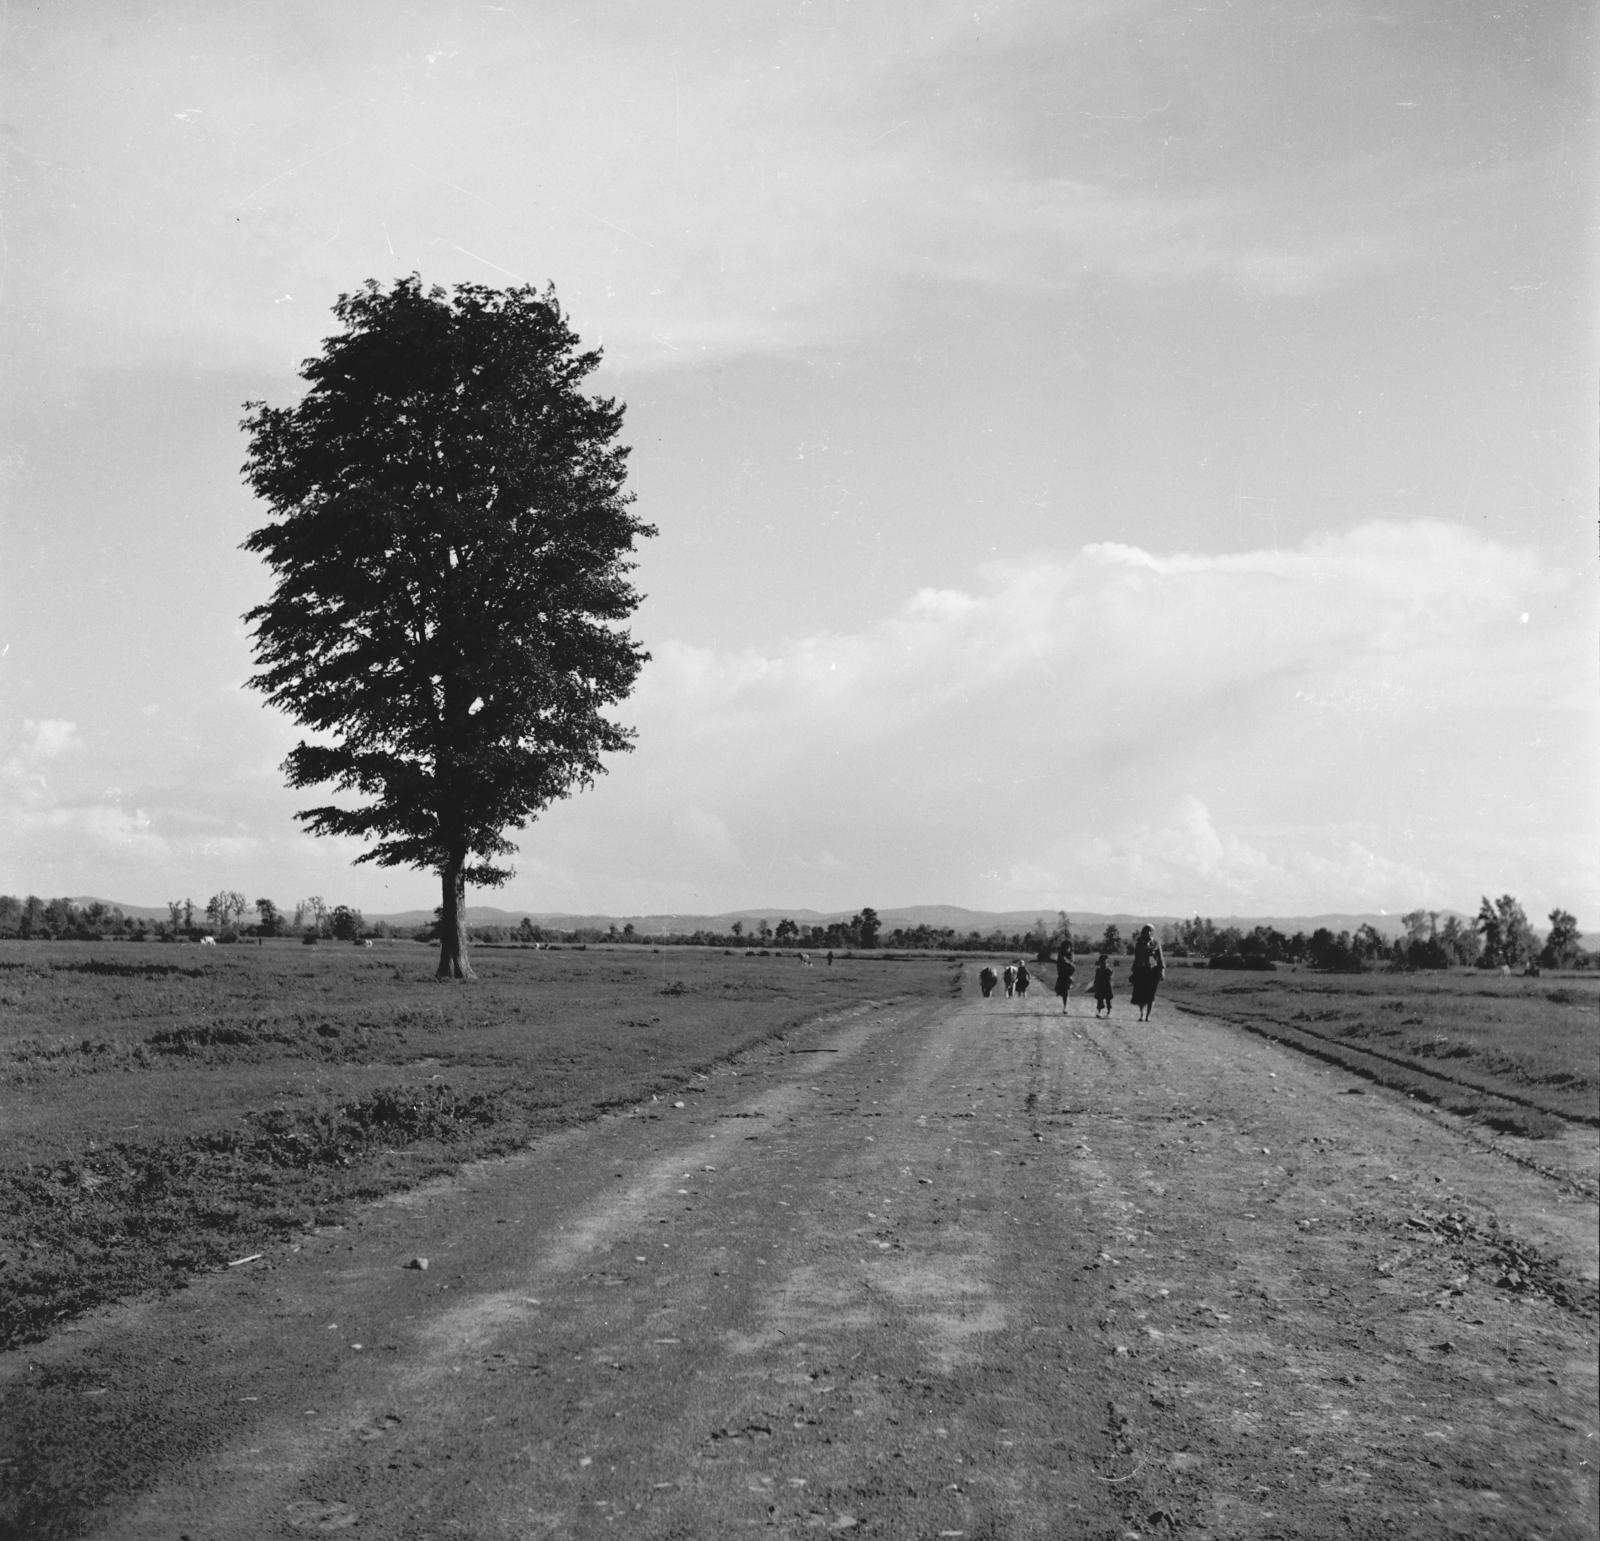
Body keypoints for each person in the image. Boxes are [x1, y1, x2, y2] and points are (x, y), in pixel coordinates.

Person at [1129, 924, 1165, 1021]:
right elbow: (1136, 958)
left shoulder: (1156, 943)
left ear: (1152, 932)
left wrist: (1162, 970)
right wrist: (1133, 971)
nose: (1148, 932)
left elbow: (1160, 958)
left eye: (1150, 930)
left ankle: (1148, 1015)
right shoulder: (1139, 944)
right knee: (1140, 994)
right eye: (1146, 930)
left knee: (1151, 994)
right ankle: (1142, 1014)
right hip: (1141, 970)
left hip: (1153, 971)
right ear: (1143, 932)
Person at [1053, 938, 1076, 1014]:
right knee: (1062, 992)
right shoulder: (1060, 955)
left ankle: (1065, 1007)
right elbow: (1059, 965)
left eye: (1068, 947)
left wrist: (1067, 961)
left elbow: (1072, 966)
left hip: (1068, 976)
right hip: (1061, 975)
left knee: (1066, 991)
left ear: (1070, 948)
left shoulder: (1071, 955)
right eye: (1065, 947)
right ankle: (1065, 1005)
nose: (1066, 949)